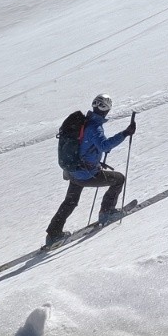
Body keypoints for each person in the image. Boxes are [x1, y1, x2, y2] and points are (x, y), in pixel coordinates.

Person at [45, 93, 136, 247]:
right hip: (86, 174)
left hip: (73, 172)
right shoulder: (95, 127)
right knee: (119, 179)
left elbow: (87, 147)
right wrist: (125, 133)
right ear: (107, 110)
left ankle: (53, 233)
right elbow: (105, 146)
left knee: (70, 201)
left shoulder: (83, 123)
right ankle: (107, 212)